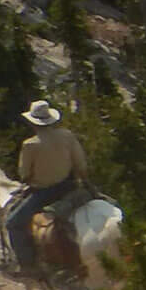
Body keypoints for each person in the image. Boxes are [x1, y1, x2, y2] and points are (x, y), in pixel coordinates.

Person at [7, 100, 86, 277]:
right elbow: (81, 163)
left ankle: (27, 265)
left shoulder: (30, 144)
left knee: (12, 223)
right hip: (69, 186)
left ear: (32, 122)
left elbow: (24, 174)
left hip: (44, 192)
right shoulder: (67, 135)